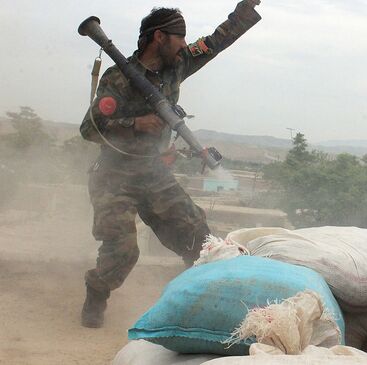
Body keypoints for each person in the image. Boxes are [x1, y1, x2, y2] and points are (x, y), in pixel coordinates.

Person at [79, 0, 262, 328]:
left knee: (197, 235)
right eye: (179, 37)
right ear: (159, 37)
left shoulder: (178, 64)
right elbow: (88, 128)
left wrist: (245, 9)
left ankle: (200, 301)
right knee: (122, 251)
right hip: (113, 174)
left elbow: (217, 41)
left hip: (152, 170)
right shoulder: (117, 79)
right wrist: (135, 124)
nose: (184, 44)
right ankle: (96, 296)